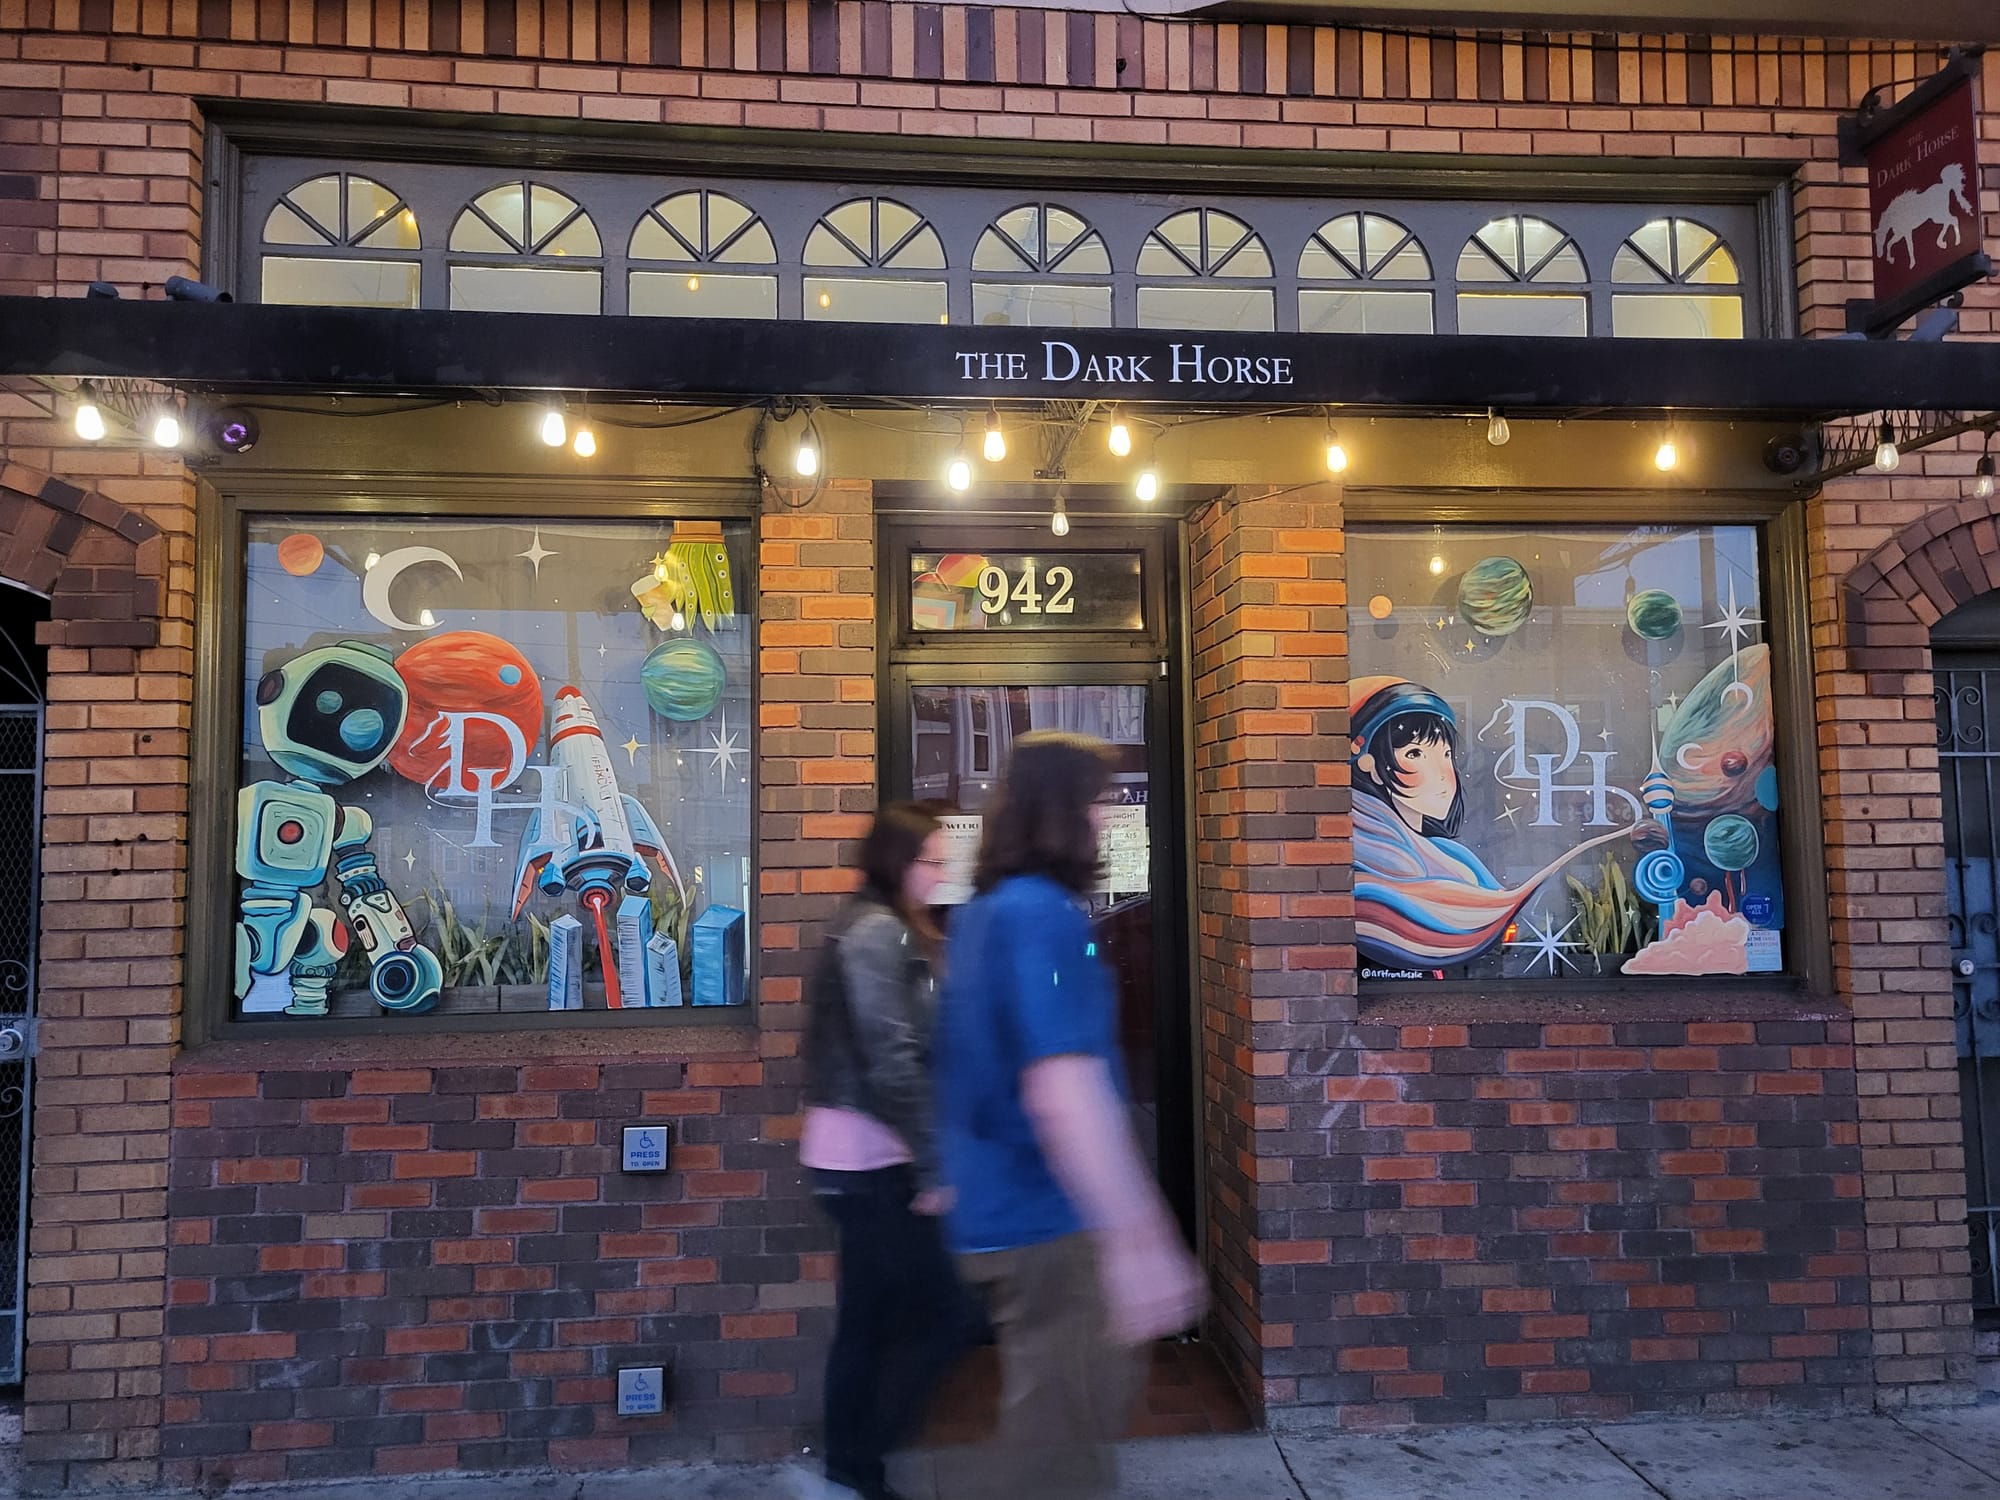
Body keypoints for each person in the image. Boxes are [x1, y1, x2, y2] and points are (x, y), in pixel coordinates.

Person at [934, 731, 1205, 1500]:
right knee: (1059, 1454)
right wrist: (1141, 1238)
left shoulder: (984, 913)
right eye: (1099, 799)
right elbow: (1065, 1088)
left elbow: (963, 1060)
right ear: (1063, 810)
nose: (1111, 814)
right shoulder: (1041, 915)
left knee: (1050, 1431)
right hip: (1051, 1220)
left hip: (997, 1211)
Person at [800, 801, 965, 1500]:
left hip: (862, 1154)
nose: (942, 872)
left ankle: (847, 1473)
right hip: (868, 1158)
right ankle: (852, 1464)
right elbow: (892, 1061)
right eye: (932, 859)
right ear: (902, 861)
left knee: (868, 1318)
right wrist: (932, 1166)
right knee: (948, 1316)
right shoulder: (874, 931)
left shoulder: (888, 927)